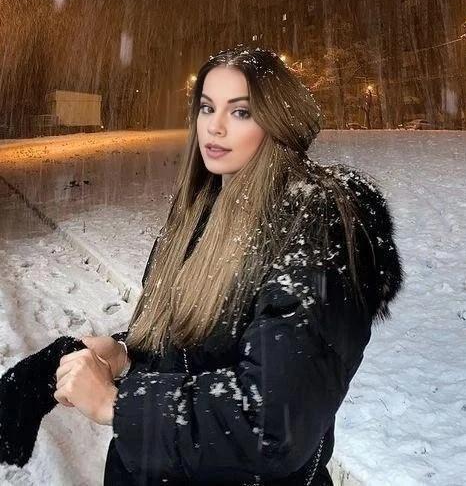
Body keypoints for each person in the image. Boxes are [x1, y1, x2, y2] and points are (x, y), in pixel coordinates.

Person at [54, 46, 404, 485]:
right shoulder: (200, 211)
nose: (214, 127)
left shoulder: (313, 226)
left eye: (240, 112)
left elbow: (274, 422)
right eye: (207, 107)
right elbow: (201, 344)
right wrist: (128, 356)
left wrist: (119, 405)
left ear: (277, 121)